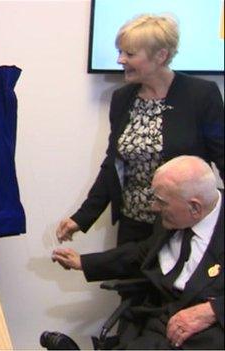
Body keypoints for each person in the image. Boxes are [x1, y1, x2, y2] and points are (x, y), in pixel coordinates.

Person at [56, 14, 224, 246]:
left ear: (161, 56)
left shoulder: (201, 95)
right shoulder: (122, 98)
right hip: (133, 226)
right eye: (120, 52)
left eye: (130, 54)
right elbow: (113, 165)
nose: (120, 60)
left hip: (181, 227)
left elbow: (222, 156)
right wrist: (82, 218)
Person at [52, 156, 224, 349]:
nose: (154, 208)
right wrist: (84, 262)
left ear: (195, 207)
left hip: (208, 330)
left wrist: (213, 311)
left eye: (161, 202)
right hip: (161, 318)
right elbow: (143, 251)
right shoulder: (171, 217)